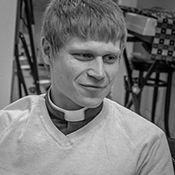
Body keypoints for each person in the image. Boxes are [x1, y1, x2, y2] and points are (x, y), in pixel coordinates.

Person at [0, 0, 174, 174]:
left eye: (110, 58)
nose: (99, 73)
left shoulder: (147, 143)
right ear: (47, 51)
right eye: (84, 55)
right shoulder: (6, 129)